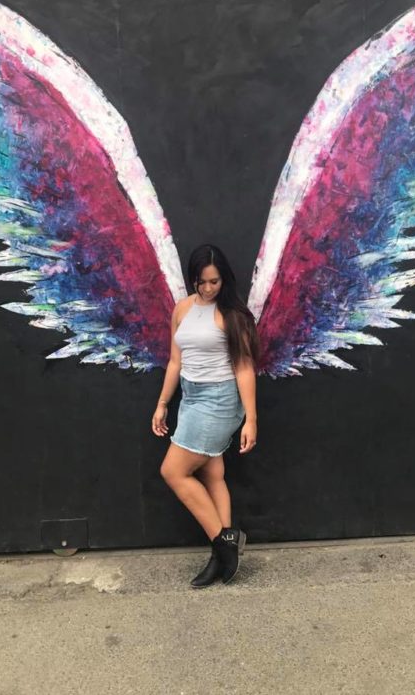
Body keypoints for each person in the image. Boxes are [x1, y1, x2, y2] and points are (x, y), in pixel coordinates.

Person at [152, 243, 260, 587]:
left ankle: (224, 545)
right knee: (213, 473)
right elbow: (175, 360)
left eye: (214, 281)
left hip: (220, 399)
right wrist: (163, 402)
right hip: (191, 396)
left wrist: (251, 419)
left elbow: (244, 368)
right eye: (202, 282)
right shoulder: (182, 308)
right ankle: (221, 557)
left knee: (173, 471)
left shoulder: (232, 316)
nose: (208, 288)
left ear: (223, 279)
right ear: (193, 280)